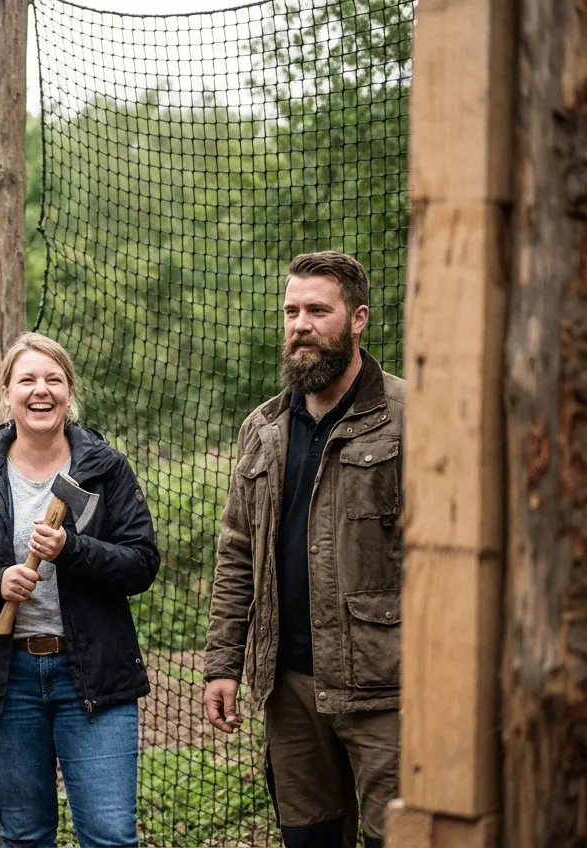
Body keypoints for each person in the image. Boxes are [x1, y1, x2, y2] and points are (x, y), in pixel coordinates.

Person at [0, 332, 159, 848]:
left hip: (95, 674)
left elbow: (142, 563)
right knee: (26, 835)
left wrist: (72, 550)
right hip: (6, 678)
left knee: (110, 835)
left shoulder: (105, 468)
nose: (41, 390)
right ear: (6, 393)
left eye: (54, 380)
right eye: (27, 379)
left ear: (69, 393)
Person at [203, 251, 404, 848]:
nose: (301, 325)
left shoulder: (409, 417)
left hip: (387, 688)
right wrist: (222, 665)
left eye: (318, 310)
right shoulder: (263, 428)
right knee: (309, 839)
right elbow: (237, 554)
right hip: (289, 689)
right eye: (291, 312)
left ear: (358, 318)